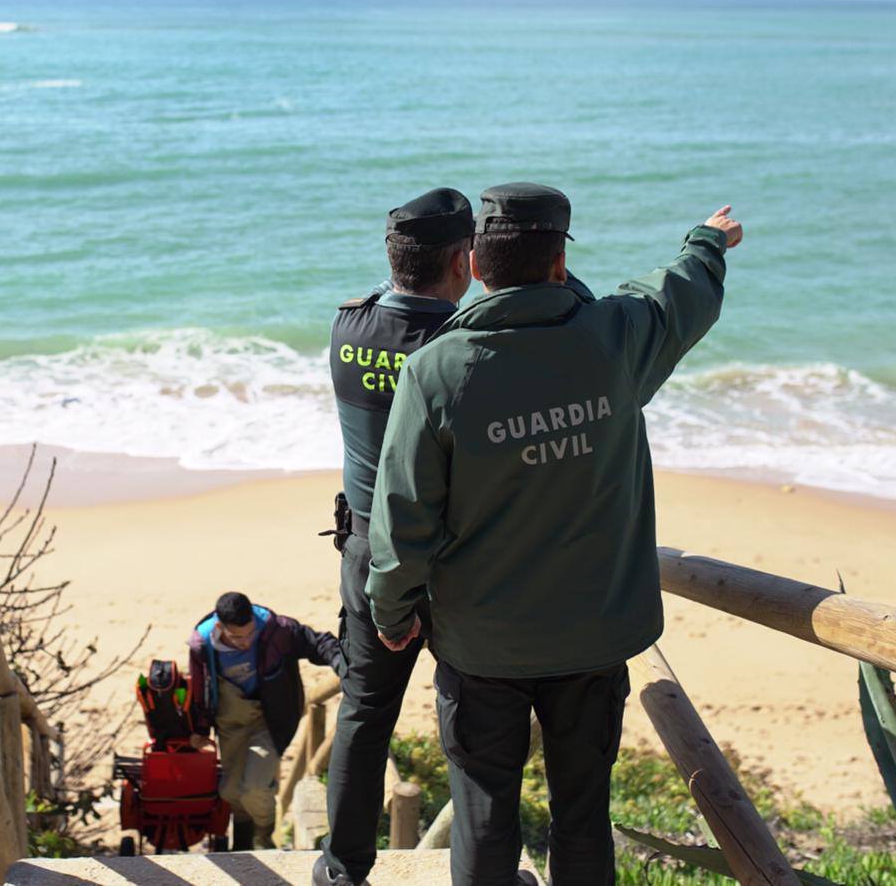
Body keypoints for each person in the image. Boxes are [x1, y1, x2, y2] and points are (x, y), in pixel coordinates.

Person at [366, 184, 742, 886]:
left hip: (482, 645)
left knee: (483, 814)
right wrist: (706, 240)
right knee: (581, 813)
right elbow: (679, 296)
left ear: (474, 264)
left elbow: (403, 516)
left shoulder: (437, 372)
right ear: (562, 264)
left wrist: (392, 613)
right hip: (592, 638)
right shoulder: (615, 337)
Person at [317, 187, 593, 886]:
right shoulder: (462, 346)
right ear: (464, 260)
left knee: (364, 712)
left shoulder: (348, 329)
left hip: (365, 548)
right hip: (455, 565)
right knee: (474, 733)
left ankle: (342, 871)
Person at [187, 591, 344, 851]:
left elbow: (317, 643)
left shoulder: (275, 630)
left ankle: (264, 836)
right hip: (230, 720)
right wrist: (200, 728)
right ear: (219, 628)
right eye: (238, 637)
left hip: (270, 719)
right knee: (229, 792)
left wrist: (342, 663)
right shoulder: (201, 644)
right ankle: (242, 842)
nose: (247, 642)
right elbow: (199, 689)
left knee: (255, 788)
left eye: (250, 633)